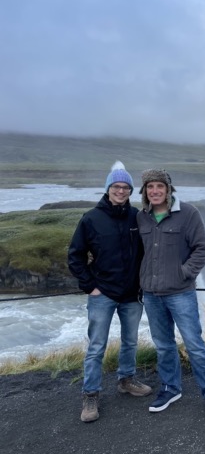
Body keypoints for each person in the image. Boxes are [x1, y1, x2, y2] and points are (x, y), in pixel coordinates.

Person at [68, 161, 152, 423]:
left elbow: (149, 251)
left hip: (132, 294)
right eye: (117, 186)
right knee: (96, 346)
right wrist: (89, 286)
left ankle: (126, 380)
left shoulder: (136, 217)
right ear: (107, 188)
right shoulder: (91, 219)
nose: (121, 191)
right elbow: (75, 256)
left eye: (126, 187)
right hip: (102, 293)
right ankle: (90, 394)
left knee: (130, 341)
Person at [137, 168, 205, 416]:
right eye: (149, 187)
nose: (154, 191)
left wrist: (184, 272)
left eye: (159, 187)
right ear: (144, 191)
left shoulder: (188, 214)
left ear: (168, 189)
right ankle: (170, 388)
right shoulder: (141, 217)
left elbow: (203, 249)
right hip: (152, 294)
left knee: (194, 343)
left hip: (180, 292)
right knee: (163, 345)